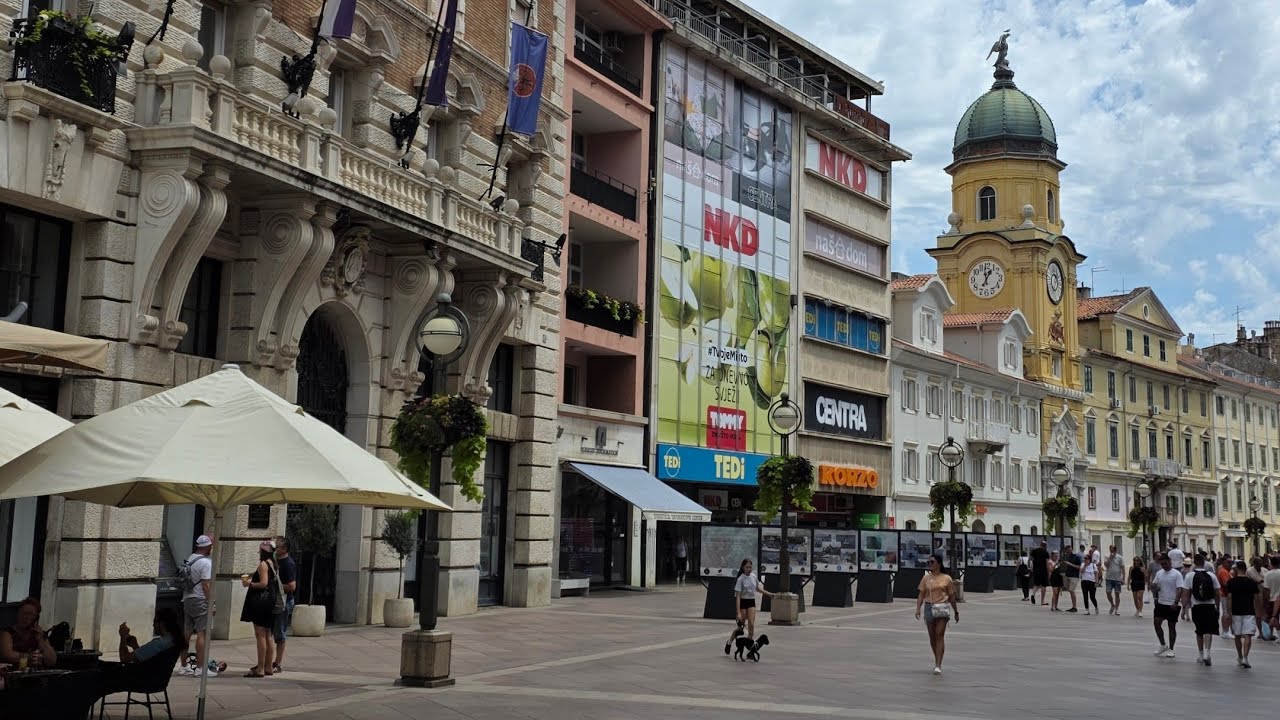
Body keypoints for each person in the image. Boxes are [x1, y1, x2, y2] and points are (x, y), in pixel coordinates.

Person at [240, 540, 280, 677]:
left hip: (262, 603)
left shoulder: (263, 565)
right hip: (271, 602)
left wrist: (249, 584)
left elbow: (263, 583)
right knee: (268, 634)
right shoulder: (273, 564)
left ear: (263, 552)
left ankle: (260, 668)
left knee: (260, 634)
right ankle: (269, 666)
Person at [915, 554, 959, 675]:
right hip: (929, 606)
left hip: (942, 608)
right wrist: (918, 608)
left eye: (932, 562)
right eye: (928, 562)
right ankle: (937, 658)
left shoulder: (947, 578)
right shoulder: (926, 578)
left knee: (939, 635)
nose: (930, 564)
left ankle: (938, 664)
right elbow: (921, 594)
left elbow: (951, 596)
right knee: (932, 637)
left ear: (939, 563)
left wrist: (956, 611)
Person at [181, 534, 216, 678]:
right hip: (200, 600)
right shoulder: (206, 563)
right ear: (207, 547)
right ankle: (201, 668)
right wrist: (211, 603)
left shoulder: (190, 558)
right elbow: (206, 585)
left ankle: (183, 666)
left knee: (187, 632)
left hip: (187, 599)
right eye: (211, 546)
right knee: (202, 632)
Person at [724, 558, 773, 655]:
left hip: (751, 602)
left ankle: (750, 649)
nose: (749, 569)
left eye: (750, 567)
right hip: (742, 602)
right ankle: (729, 642)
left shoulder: (753, 576)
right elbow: (737, 596)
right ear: (743, 567)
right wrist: (738, 613)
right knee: (740, 628)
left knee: (751, 624)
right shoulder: (740, 579)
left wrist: (768, 594)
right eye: (747, 567)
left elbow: (757, 589)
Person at [1181, 553, 1221, 665]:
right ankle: (1208, 652)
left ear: (1194, 563)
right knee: (1209, 630)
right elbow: (1217, 593)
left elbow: (1186, 593)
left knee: (1199, 631)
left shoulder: (1190, 576)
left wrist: (1184, 609)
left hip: (1196, 606)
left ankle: (1200, 654)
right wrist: (1217, 607)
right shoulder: (1212, 576)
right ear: (1204, 563)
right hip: (1210, 605)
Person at [1225, 560, 1263, 668]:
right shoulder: (1251, 582)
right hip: (1249, 611)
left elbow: (1229, 597)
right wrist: (1258, 611)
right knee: (1248, 635)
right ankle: (1246, 658)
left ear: (1237, 569)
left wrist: (1229, 612)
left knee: (1237, 635)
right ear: (1245, 570)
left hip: (1236, 612)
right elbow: (1256, 598)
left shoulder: (1231, 582)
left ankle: (1240, 656)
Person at [0, 597, 57, 666]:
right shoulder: (7, 632)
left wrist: (41, 640)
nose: (25, 617)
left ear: (36, 617)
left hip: (34, 673)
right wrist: (29, 657)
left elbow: (52, 661)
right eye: (23, 613)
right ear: (18, 614)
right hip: (14, 672)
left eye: (30, 614)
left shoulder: (39, 634)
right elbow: (7, 654)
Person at [272, 536, 298, 674]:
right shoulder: (275, 560)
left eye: (277, 546)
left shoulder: (288, 564)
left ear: (284, 549)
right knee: (272, 631)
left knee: (280, 632)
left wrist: (275, 585)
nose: (275, 548)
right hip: (275, 600)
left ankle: (278, 663)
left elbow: (292, 586)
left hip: (284, 601)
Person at [1151, 554, 1182, 658]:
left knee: (1171, 626)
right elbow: (1155, 585)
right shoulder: (1159, 573)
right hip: (1161, 602)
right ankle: (1163, 644)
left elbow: (1179, 589)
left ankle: (1171, 649)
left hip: (1172, 604)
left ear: (1170, 562)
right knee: (1156, 622)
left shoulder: (1176, 574)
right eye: (1162, 564)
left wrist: (1176, 602)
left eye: (1165, 563)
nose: (1164, 565)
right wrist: (1154, 587)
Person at [1103, 545, 1125, 615]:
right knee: (1108, 592)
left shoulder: (1120, 557)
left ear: (1115, 550)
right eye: (1110, 550)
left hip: (1117, 578)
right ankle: (1112, 604)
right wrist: (1110, 558)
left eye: (1113, 550)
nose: (1111, 552)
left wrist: (1123, 578)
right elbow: (1106, 565)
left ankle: (1117, 609)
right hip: (1109, 578)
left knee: (1117, 594)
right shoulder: (1107, 556)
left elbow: (1122, 567)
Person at [1060, 546, 1082, 613]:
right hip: (1067, 575)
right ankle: (1073, 606)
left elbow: (1079, 567)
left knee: (1072, 590)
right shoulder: (1065, 557)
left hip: (1074, 576)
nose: (1068, 551)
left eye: (1069, 550)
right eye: (1067, 550)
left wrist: (1070, 564)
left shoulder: (1076, 557)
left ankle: (1075, 607)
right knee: (1070, 590)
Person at [1029, 541, 1050, 605]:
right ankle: (1042, 601)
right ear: (1045, 546)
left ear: (1040, 544)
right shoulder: (1045, 553)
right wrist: (1048, 571)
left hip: (1036, 570)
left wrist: (1032, 567)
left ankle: (1033, 594)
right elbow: (1046, 562)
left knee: (1036, 584)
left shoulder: (1034, 551)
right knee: (1044, 585)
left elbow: (1031, 559)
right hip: (1043, 570)